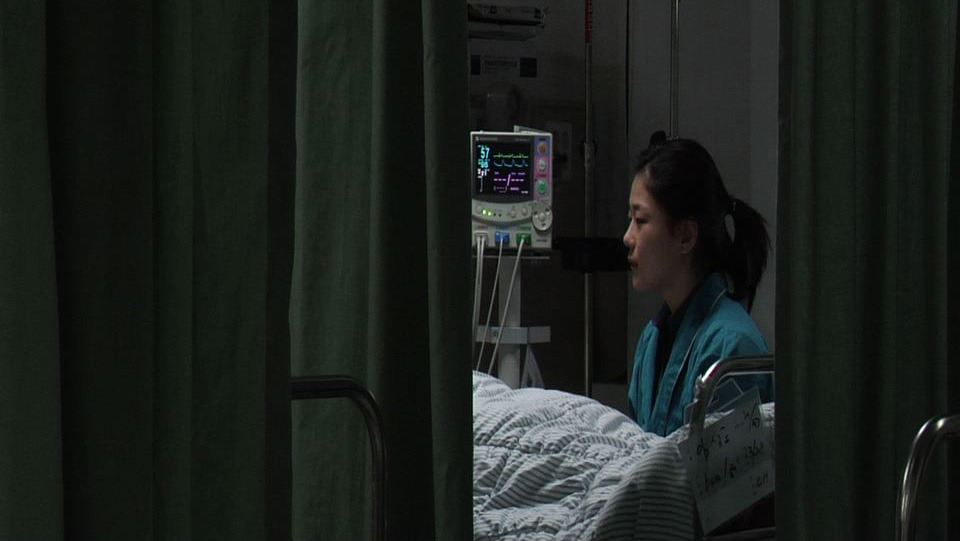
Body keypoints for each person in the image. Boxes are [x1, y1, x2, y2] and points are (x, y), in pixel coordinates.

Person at [623, 131, 772, 436]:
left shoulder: (732, 346)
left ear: (686, 236)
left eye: (641, 220)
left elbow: (733, 466)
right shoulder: (652, 339)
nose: (627, 237)